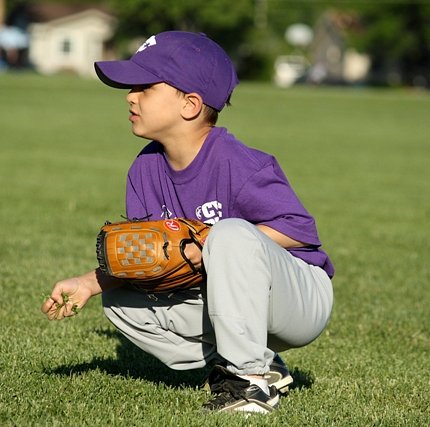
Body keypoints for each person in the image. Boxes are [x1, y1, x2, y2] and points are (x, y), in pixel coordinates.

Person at [41, 31, 334, 414]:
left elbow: (299, 230)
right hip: (234, 298)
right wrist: (87, 283)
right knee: (121, 301)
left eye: (145, 87)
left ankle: (251, 386)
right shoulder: (145, 169)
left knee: (227, 234)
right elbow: (144, 257)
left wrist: (214, 243)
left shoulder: (239, 163)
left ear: (191, 104)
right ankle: (257, 364)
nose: (131, 96)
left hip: (299, 298)